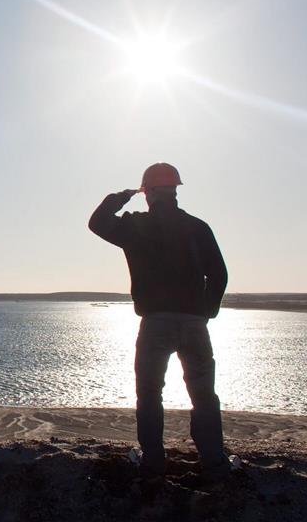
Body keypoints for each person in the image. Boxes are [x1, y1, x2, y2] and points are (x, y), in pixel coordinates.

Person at [88, 163, 230, 483]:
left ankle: (153, 464)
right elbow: (219, 274)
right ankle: (214, 463)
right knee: (204, 394)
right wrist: (206, 312)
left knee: (150, 393)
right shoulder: (198, 227)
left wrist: (120, 198)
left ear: (147, 192)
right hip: (194, 323)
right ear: (175, 190)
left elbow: (96, 222)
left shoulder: (136, 226)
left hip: (156, 323)